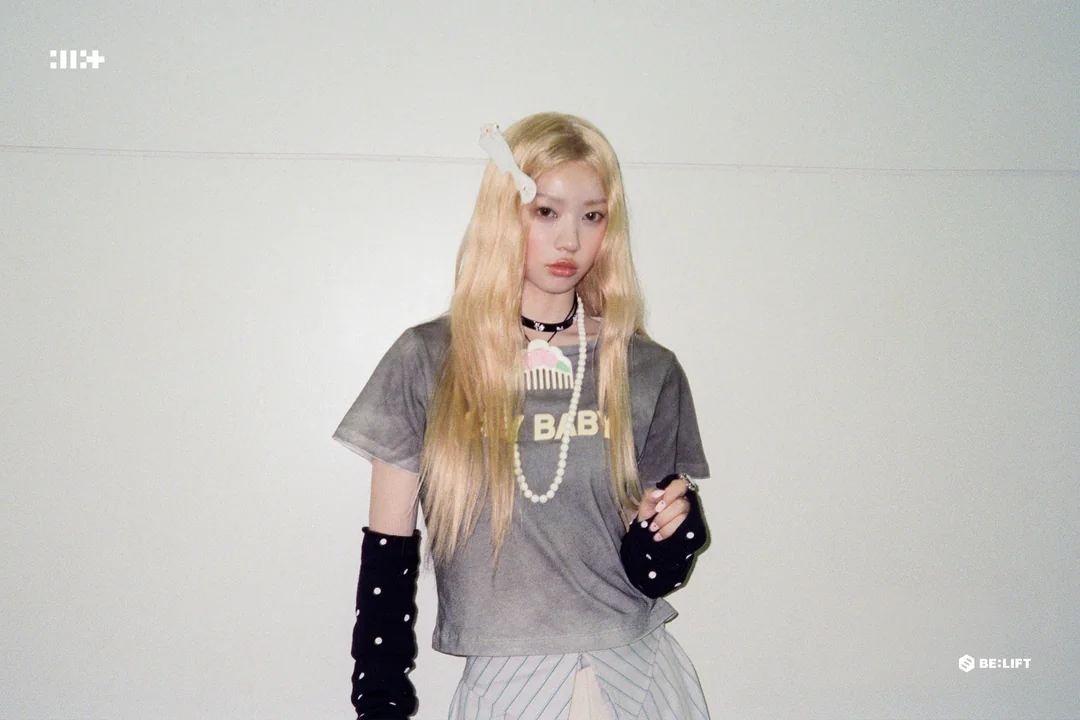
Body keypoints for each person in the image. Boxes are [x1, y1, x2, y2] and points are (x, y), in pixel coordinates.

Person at [333, 112, 713, 719]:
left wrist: (675, 534)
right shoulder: (428, 359)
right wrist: (380, 705)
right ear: (504, 214)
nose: (570, 241)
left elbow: (650, 574)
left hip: (638, 675)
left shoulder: (644, 367)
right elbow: (387, 557)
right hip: (510, 684)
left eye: (592, 216)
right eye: (546, 212)